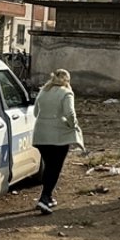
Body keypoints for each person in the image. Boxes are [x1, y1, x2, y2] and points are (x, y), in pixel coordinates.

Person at [31, 69, 84, 214]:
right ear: (67, 80)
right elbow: (70, 113)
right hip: (58, 136)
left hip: (40, 135)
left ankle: (48, 197)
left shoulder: (43, 91)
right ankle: (44, 197)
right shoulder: (66, 93)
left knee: (49, 166)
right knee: (55, 168)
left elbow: (35, 113)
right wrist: (73, 125)